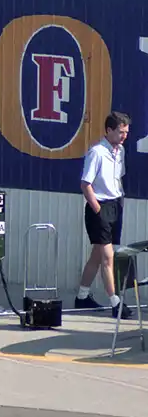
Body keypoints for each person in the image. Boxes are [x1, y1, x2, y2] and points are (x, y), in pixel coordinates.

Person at [75, 111, 132, 319]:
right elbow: (85, 184)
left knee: (97, 256)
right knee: (108, 257)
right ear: (109, 130)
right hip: (100, 206)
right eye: (120, 131)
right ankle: (115, 303)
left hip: (116, 204)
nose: (124, 135)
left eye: (126, 132)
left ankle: (82, 296)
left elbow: (118, 178)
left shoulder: (121, 151)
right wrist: (98, 209)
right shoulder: (96, 152)